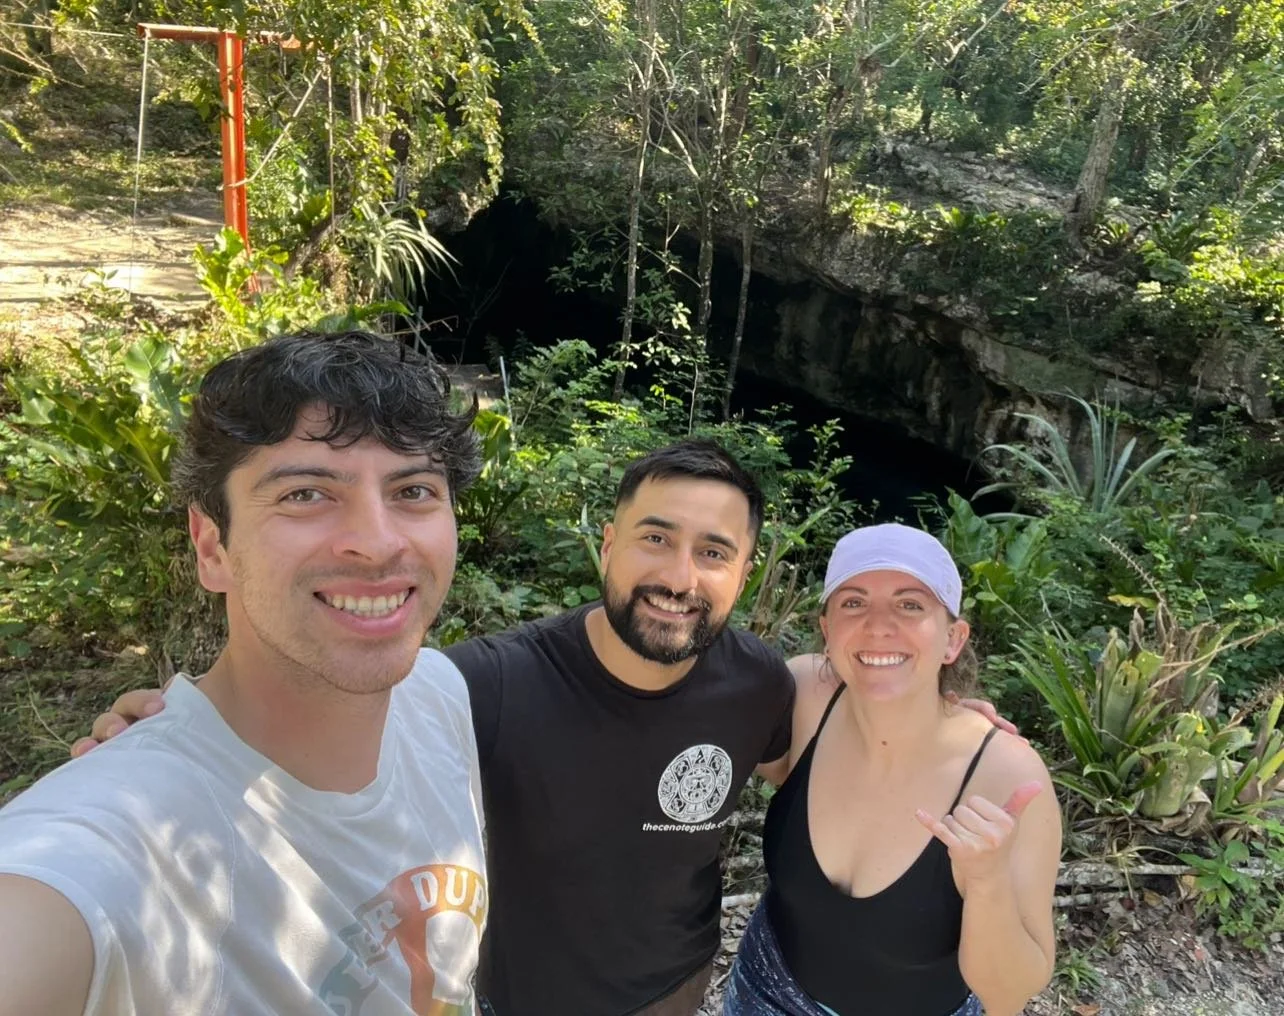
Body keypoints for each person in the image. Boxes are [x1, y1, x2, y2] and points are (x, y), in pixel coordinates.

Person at [71, 443, 1016, 1016]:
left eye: (713, 552)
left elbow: (840, 708)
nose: (679, 574)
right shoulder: (482, 684)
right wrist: (181, 738)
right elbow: (313, 721)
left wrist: (935, 702)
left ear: (744, 572)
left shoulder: (761, 681)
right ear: (605, 543)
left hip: (678, 989)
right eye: (655, 537)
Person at [0, 331, 488, 1016]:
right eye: (306, 495)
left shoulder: (438, 693)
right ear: (212, 546)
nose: (378, 542)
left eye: (413, 489)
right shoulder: (115, 842)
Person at [722, 523, 1061, 1016]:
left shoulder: (1006, 779)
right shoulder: (806, 696)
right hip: (763, 992)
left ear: (952, 639)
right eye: (854, 603)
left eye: (910, 605)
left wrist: (987, 882)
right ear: (828, 631)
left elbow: (1007, 998)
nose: (878, 625)